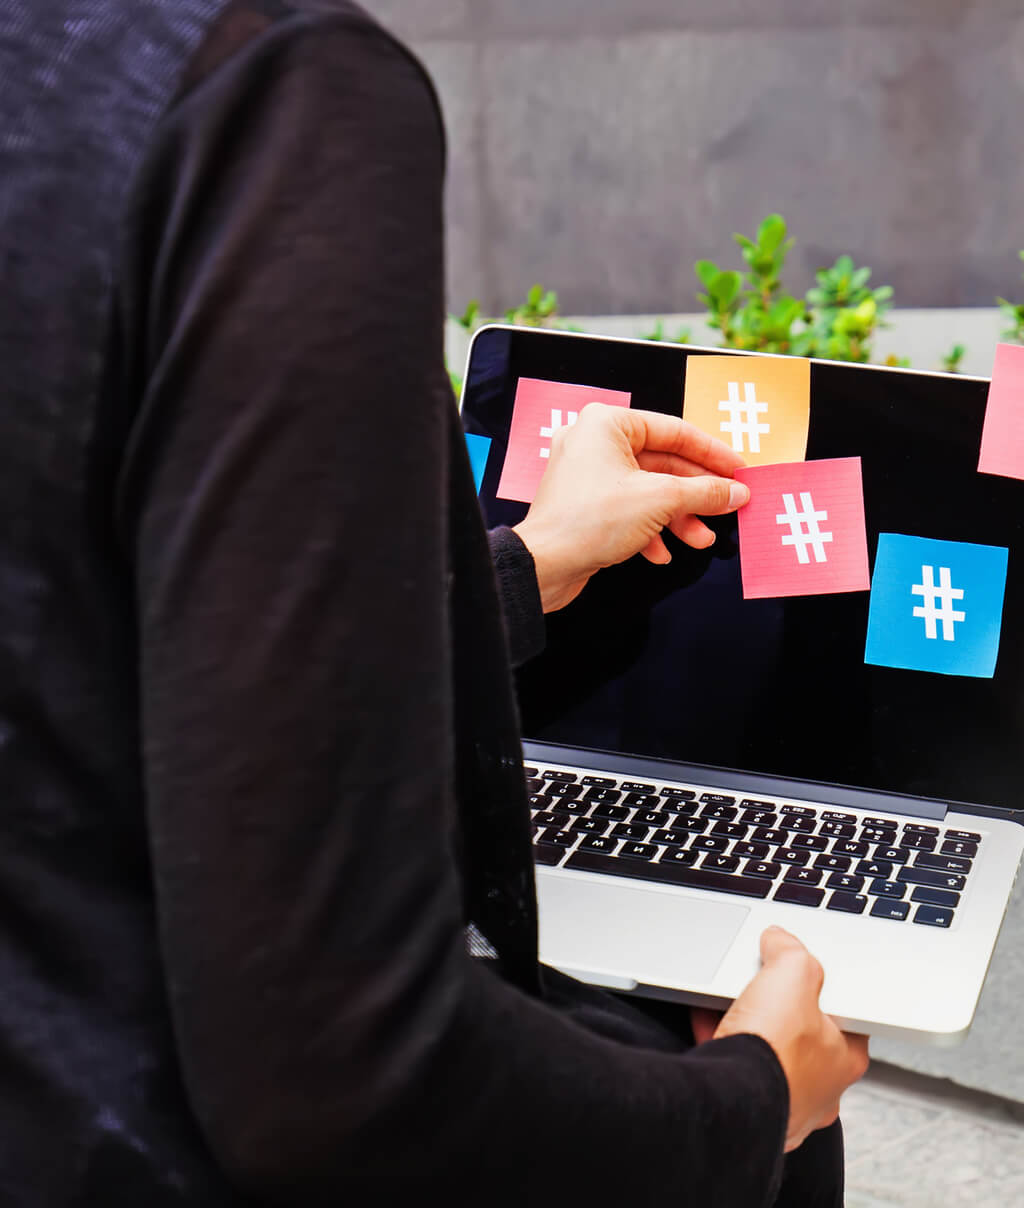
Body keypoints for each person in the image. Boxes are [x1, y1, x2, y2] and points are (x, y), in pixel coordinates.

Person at [0, 0, 866, 1202]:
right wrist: (752, 1104)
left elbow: (87, 635)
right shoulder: (276, 98)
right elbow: (342, 1068)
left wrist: (522, 567)